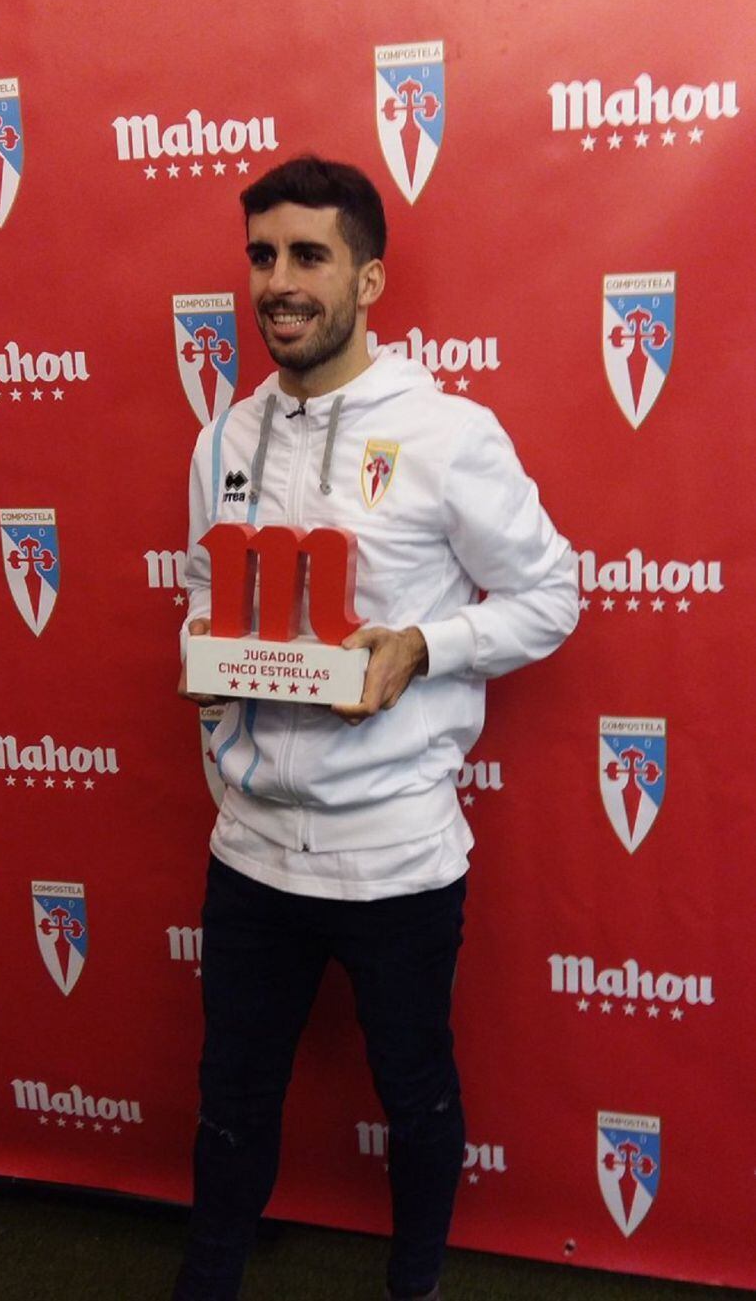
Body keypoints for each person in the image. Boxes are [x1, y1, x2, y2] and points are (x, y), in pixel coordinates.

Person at [173, 155, 578, 1301]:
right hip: (250, 850)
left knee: (415, 1091)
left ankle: (414, 1286)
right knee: (231, 1098)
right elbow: (211, 600)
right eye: (261, 255)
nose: (278, 283)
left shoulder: (449, 432)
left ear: (369, 277)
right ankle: (205, 1283)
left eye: (309, 256)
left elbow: (552, 594)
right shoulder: (222, 442)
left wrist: (424, 647)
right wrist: (208, 663)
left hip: (395, 854)